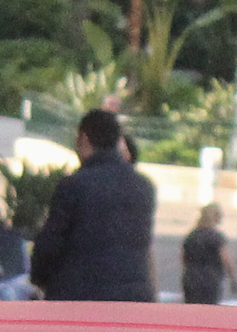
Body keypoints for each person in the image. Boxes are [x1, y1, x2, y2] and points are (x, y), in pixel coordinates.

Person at [31, 108, 157, 302]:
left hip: (79, 298)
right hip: (133, 299)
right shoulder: (144, 187)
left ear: (84, 138)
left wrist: (39, 279)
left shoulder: (74, 185)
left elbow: (50, 244)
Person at [181, 203, 237, 304]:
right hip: (210, 280)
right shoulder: (216, 236)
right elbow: (225, 259)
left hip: (191, 278)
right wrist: (233, 280)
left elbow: (183, 258)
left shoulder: (192, 235)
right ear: (216, 216)